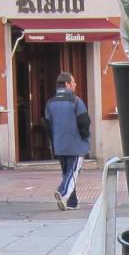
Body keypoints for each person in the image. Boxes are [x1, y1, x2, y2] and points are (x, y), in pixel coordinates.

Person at [42, 71, 90, 210]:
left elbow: (47, 125)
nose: (75, 84)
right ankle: (62, 192)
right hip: (76, 144)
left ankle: (71, 202)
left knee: (67, 173)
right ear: (68, 84)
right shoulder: (76, 101)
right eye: (73, 82)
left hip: (59, 145)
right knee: (72, 173)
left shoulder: (50, 103)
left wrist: (53, 142)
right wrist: (85, 138)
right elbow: (84, 122)